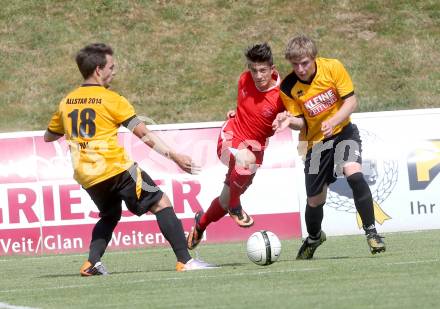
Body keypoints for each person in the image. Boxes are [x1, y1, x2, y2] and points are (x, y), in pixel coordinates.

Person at [44, 43, 216, 275]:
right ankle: (185, 261)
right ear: (98, 70)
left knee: (110, 214)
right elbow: (143, 133)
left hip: (87, 175)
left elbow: (48, 136)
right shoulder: (111, 99)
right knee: (161, 202)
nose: (114, 72)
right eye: (111, 67)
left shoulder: (67, 102)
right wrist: (174, 156)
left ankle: (91, 262)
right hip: (116, 169)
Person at [272, 34, 386, 259]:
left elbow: (351, 101)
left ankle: (372, 233)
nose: (300, 69)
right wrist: (289, 121)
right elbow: (301, 121)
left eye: (304, 63)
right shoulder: (288, 87)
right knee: (315, 200)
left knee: (354, 174)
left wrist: (333, 121)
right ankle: (314, 237)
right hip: (315, 145)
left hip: (343, 132)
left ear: (314, 57)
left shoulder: (332, 67)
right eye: (295, 64)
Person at [187, 43, 285, 250]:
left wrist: (285, 118)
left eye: (263, 70)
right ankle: (235, 206)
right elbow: (245, 107)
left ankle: (200, 224)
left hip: (255, 150)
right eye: (253, 69)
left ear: (272, 68)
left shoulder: (282, 95)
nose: (257, 75)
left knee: (223, 200)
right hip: (230, 137)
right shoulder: (244, 78)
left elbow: (291, 115)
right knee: (243, 169)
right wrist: (234, 113)